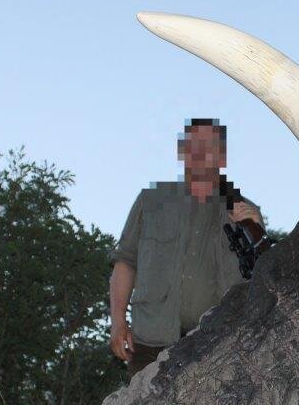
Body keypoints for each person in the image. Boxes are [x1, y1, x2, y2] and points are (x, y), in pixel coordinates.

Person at [110, 118, 264, 378]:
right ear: (182, 151)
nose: (201, 153)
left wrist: (257, 232)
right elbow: (125, 262)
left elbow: (263, 274)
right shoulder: (151, 200)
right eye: (194, 145)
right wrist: (117, 322)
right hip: (150, 343)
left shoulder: (244, 209)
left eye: (210, 146)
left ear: (222, 155)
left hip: (216, 346)